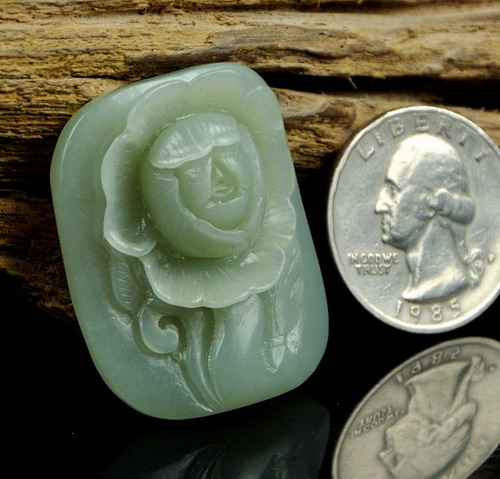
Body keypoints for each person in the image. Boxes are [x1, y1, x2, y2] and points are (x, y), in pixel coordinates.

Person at [375, 134, 484, 302]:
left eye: (393, 191)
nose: (379, 206)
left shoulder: (445, 285)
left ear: (432, 202)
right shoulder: (418, 286)